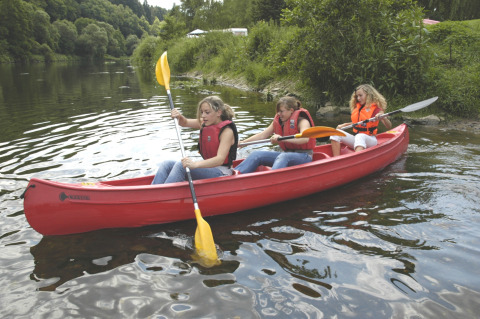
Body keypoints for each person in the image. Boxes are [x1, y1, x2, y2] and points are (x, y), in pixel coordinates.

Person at [151, 96, 238, 184]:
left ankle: (164, 195)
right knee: (167, 164)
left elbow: (220, 159)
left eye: (207, 112)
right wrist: (179, 116)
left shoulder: (227, 131)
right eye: (202, 112)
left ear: (219, 112)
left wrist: (195, 164)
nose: (203, 115)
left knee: (182, 166)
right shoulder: (205, 123)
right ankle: (153, 192)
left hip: (222, 172)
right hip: (208, 168)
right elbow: (184, 123)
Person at [234, 96, 316, 174]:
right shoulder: (279, 122)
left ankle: (271, 180)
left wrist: (282, 138)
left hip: (304, 156)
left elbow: (304, 139)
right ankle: (235, 176)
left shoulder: (302, 121)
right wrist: (243, 142)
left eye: (281, 111)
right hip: (286, 155)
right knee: (256, 154)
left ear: (291, 110)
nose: (279, 114)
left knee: (284, 156)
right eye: (278, 111)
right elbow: (263, 135)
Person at [330, 84, 392, 157]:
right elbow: (357, 123)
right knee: (335, 133)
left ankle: (356, 159)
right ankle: (336, 159)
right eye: (357, 96)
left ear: (368, 95)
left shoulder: (376, 109)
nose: (358, 98)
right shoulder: (358, 107)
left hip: (370, 140)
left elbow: (389, 126)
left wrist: (383, 117)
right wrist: (343, 125)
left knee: (360, 136)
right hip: (358, 140)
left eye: (360, 95)